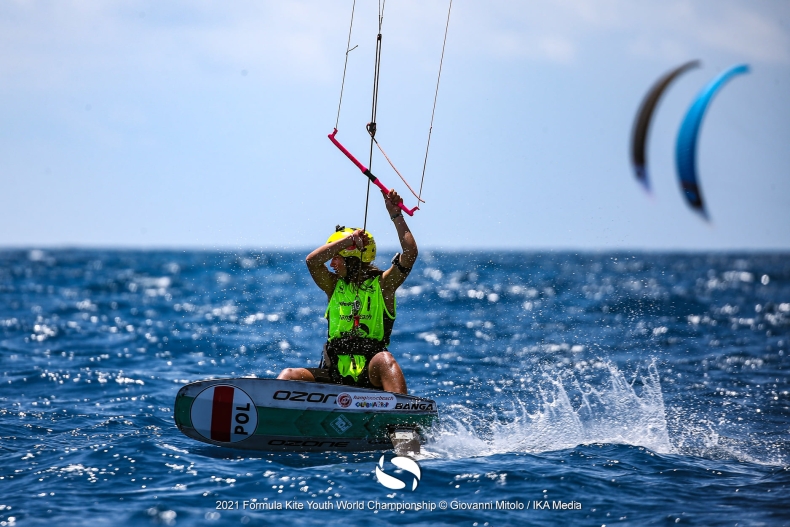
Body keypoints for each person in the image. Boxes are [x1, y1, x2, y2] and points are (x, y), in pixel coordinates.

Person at [277, 189, 417, 394]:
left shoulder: (383, 285)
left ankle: (400, 418)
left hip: (371, 375)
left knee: (384, 360)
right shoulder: (334, 286)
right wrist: (346, 241)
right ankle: (272, 411)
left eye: (337, 257)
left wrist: (396, 214)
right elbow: (312, 261)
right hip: (334, 373)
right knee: (289, 375)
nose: (331, 263)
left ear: (352, 259)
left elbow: (410, 253)